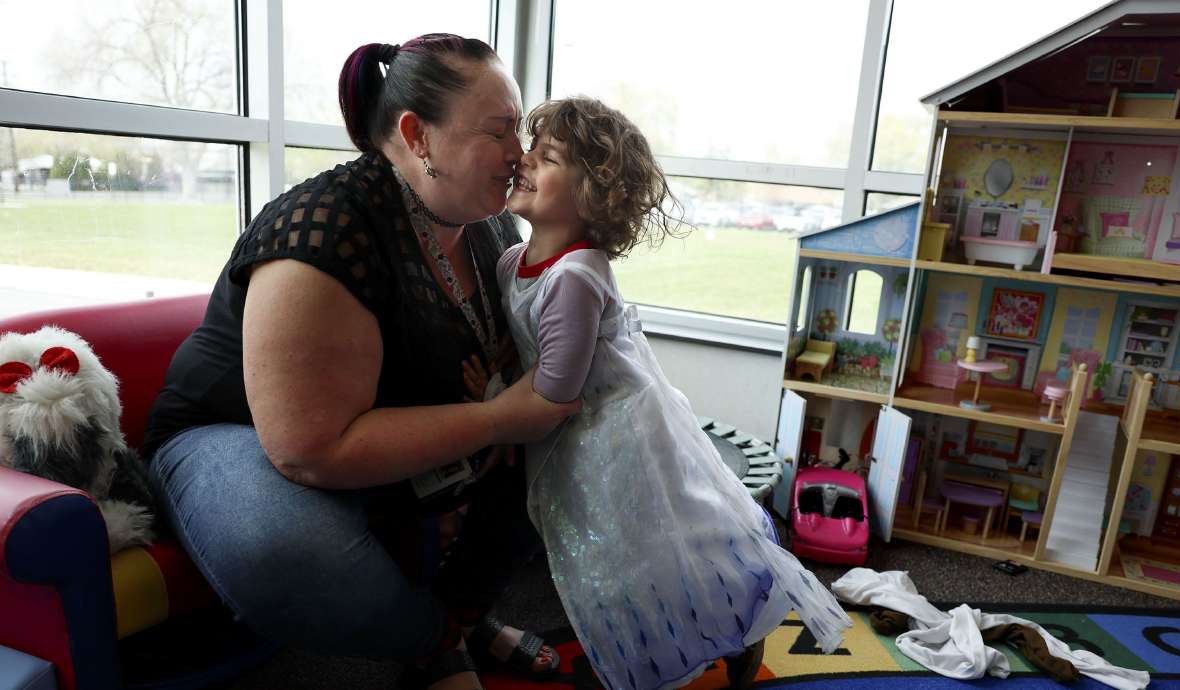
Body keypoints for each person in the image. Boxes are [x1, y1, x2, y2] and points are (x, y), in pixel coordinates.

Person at [142, 34, 577, 690]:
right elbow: (308, 450)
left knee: (575, 446)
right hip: (232, 432)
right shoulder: (324, 226)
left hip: (384, 425)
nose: (519, 152)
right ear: (417, 135)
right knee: (280, 545)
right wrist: (498, 420)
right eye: (499, 131)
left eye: (518, 129)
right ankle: (436, 640)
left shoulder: (487, 225)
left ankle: (459, 617)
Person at [484, 97, 853, 690]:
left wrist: (489, 413)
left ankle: (727, 630)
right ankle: (642, 647)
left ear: (591, 195)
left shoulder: (575, 277)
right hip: (570, 433)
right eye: (531, 149)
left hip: (612, 435)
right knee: (602, 554)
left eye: (547, 157)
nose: (523, 160)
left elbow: (556, 387)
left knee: (647, 551)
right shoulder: (512, 262)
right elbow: (525, 349)